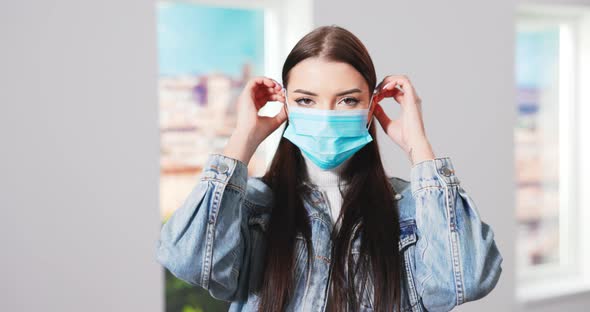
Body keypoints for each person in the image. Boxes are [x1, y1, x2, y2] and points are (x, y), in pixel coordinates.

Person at [155, 25, 503, 312]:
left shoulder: (410, 208)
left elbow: (469, 278)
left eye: (348, 100)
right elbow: (187, 260)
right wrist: (242, 141)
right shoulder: (253, 206)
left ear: (371, 108)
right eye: (306, 100)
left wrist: (419, 148)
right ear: (286, 105)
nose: (326, 116)